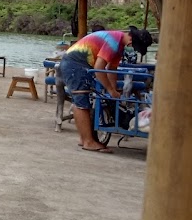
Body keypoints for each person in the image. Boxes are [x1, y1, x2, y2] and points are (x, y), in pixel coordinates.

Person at [59, 25, 154, 153]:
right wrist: (110, 90)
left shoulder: (118, 45)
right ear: (132, 41)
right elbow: (99, 68)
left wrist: (114, 92)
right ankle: (88, 141)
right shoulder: (113, 42)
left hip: (80, 64)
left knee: (82, 101)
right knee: (81, 102)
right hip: (75, 64)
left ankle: (85, 139)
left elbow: (111, 70)